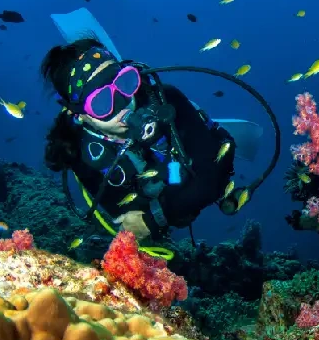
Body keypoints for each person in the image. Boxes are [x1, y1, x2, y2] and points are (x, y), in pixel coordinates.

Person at [42, 38, 236, 241]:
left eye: (125, 84)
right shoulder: (82, 155)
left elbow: (213, 173)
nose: (124, 106)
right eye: (102, 102)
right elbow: (129, 219)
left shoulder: (165, 99)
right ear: (79, 114)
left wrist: (155, 218)